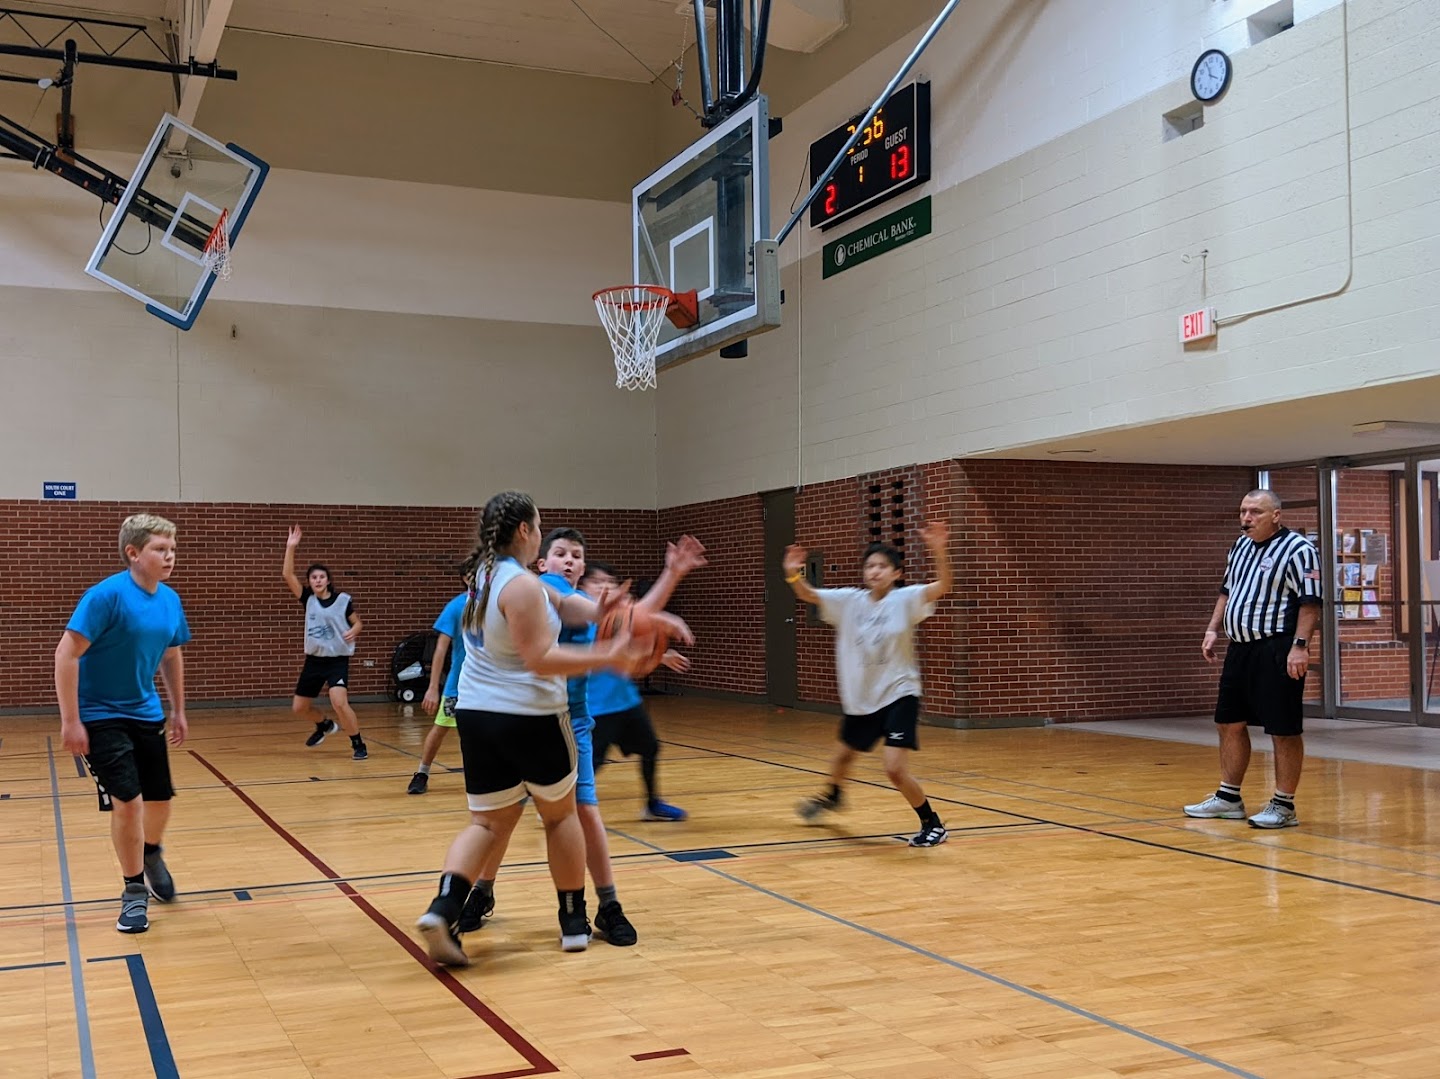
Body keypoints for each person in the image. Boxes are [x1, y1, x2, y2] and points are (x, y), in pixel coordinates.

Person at [414, 491, 651, 967]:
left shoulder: (485, 578)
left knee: (487, 822)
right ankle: (572, 922)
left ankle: (443, 909)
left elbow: (564, 605)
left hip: (478, 719)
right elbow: (540, 659)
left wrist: (604, 609)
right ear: (524, 530)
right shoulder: (519, 586)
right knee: (561, 816)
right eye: (540, 527)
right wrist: (610, 655)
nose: (543, 535)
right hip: (530, 717)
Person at [449, 527, 701, 947]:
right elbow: (632, 618)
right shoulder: (546, 588)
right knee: (505, 820)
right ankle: (484, 891)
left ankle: (606, 904)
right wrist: (669, 583)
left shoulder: (581, 602)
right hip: (528, 719)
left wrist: (667, 586)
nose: (570, 560)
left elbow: (625, 619)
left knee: (582, 813)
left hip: (573, 722)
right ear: (542, 562)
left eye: (577, 555)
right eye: (561, 553)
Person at [54, 514, 191, 934]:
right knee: (128, 802)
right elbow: (66, 655)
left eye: (172, 549)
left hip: (145, 712)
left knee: (161, 800)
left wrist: (178, 709)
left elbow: (171, 654)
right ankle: (133, 892)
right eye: (159, 550)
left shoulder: (169, 600)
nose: (169, 557)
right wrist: (71, 721)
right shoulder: (105, 597)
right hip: (100, 716)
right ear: (133, 553)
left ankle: (151, 852)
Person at [784, 522, 954, 847]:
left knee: (893, 769)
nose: (874, 571)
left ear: (896, 573)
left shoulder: (906, 599)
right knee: (843, 756)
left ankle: (932, 823)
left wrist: (938, 550)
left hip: (899, 693)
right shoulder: (849, 601)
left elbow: (944, 585)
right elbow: (807, 593)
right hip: (862, 699)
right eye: (870, 566)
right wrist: (793, 574)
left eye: (882, 566)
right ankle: (833, 796)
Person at [1184, 489, 1321, 829]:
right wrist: (1213, 629)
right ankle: (1228, 798)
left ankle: (1283, 805)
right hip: (1240, 647)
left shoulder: (1299, 551)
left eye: (1255, 512)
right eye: (1243, 511)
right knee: (1228, 722)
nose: (1247, 518)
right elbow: (1227, 590)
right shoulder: (1240, 546)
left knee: (1282, 728)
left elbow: (1310, 603)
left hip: (1277, 648)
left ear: (1276, 515)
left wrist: (1300, 645)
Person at [583, 560, 693, 821]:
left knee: (650, 747)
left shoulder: (619, 614)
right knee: (593, 762)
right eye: (597, 582)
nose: (605, 587)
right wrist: (663, 618)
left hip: (625, 700)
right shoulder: (581, 616)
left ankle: (652, 805)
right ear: (582, 587)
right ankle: (563, 805)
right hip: (596, 704)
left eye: (610, 582)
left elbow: (634, 637)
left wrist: (658, 656)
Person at [282, 526, 367, 760]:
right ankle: (324, 725)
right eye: (313, 577)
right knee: (299, 708)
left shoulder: (342, 600)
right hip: (314, 660)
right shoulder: (308, 599)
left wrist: (355, 631)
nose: (317, 580)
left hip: (337, 660)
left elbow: (357, 623)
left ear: (328, 580)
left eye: (321, 576)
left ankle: (358, 743)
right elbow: (288, 575)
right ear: (310, 581)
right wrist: (291, 548)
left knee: (339, 701)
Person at [408, 583, 467, 795]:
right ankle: (422, 773)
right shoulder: (457, 606)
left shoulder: (496, 604)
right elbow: (440, 650)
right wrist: (433, 687)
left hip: (489, 687)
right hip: (459, 687)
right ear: (466, 578)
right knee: (441, 727)